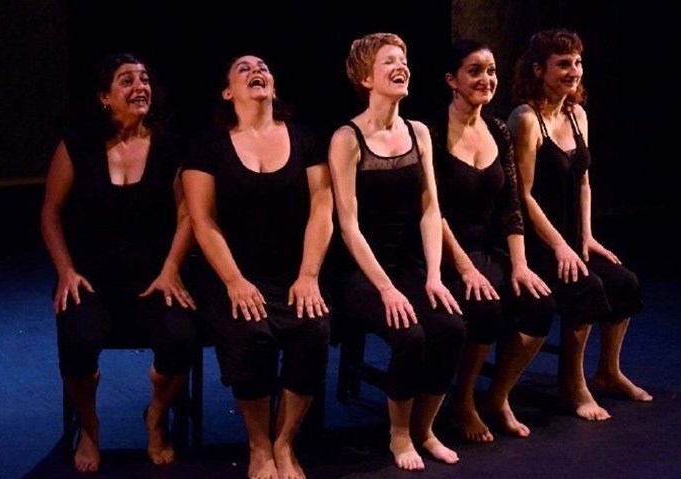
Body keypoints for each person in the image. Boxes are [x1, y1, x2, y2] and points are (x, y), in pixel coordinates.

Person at [40, 52, 198, 471]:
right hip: (91, 280)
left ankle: (156, 416)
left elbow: (188, 215)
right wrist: (65, 271)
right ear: (104, 97)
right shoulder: (77, 145)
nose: (139, 86)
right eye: (126, 80)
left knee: (181, 340)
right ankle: (90, 427)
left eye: (144, 79)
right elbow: (50, 214)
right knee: (77, 342)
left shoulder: (169, 145)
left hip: (154, 278)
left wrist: (172, 268)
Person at [181, 53, 333, 479]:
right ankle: (259, 445)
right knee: (250, 334)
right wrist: (234, 280)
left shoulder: (304, 138)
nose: (257, 71)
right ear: (228, 93)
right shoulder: (209, 144)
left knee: (314, 329)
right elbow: (202, 220)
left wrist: (309, 275)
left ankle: (284, 443)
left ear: (274, 86)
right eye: (244, 69)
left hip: (293, 272)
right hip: (230, 273)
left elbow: (322, 207)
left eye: (263, 67)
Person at [328, 32, 466, 471]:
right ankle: (400, 434)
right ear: (366, 78)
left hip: (407, 264)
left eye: (403, 59)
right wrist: (386, 289)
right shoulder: (347, 138)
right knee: (410, 336)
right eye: (389, 61)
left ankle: (425, 429)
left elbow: (430, 208)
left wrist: (434, 275)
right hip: (360, 271)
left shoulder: (418, 132)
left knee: (451, 327)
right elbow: (348, 226)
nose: (400, 67)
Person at [506, 28, 653, 421]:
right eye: (563, 64)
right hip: (535, 243)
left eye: (577, 62)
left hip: (572, 237)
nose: (574, 71)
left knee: (623, 281)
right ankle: (573, 384)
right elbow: (523, 196)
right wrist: (559, 246)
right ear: (539, 69)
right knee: (583, 286)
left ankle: (608, 372)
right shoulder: (525, 119)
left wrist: (586, 237)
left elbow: (584, 181)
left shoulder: (576, 114)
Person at [430, 39, 556, 442]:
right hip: (442, 253)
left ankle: (498, 396)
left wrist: (520, 265)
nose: (486, 79)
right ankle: (463, 400)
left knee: (539, 303)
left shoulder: (498, 130)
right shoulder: (431, 130)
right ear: (452, 80)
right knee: (485, 308)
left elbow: (512, 206)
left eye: (491, 71)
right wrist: (464, 267)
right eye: (474, 71)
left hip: (487, 250)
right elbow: (431, 210)